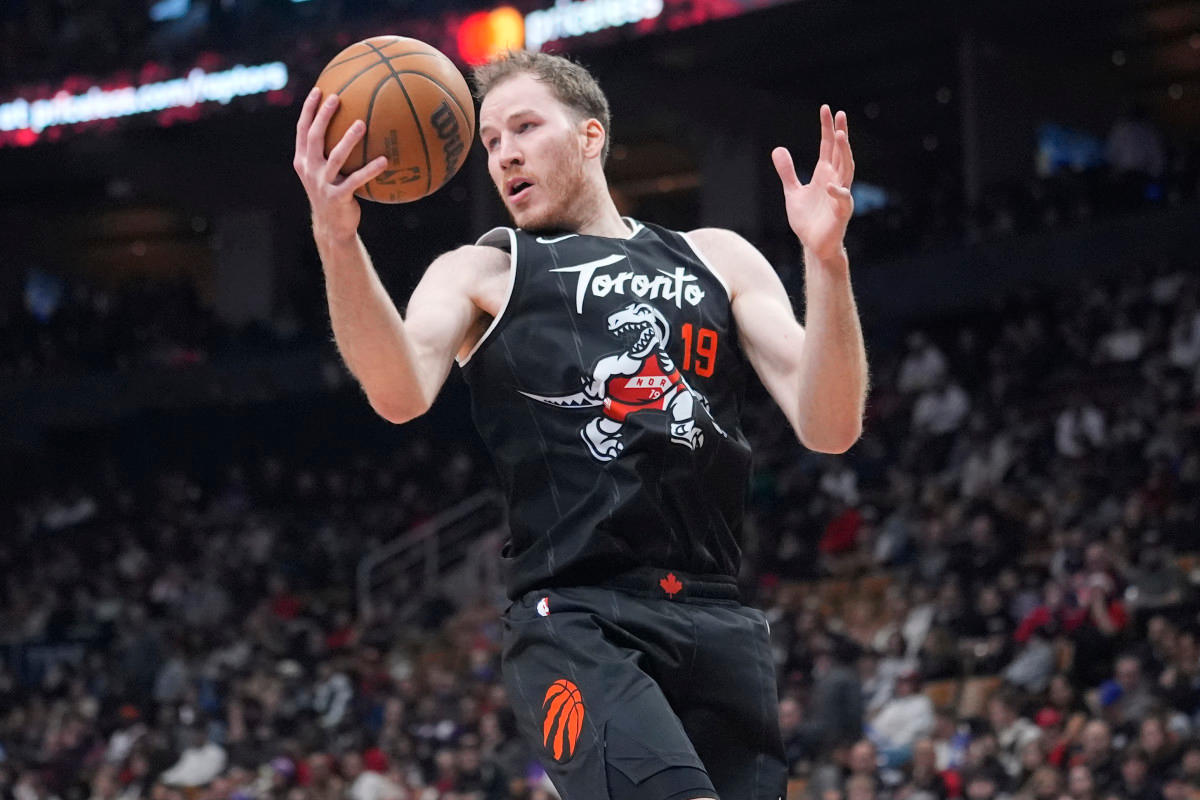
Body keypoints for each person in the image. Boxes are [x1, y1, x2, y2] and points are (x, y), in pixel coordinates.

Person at [293, 49, 868, 800]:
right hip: (576, 619)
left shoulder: (715, 258)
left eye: (525, 127)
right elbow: (398, 391)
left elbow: (830, 424)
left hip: (716, 614)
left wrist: (827, 262)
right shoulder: (484, 272)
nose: (504, 154)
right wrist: (338, 241)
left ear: (591, 137)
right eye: (491, 141)